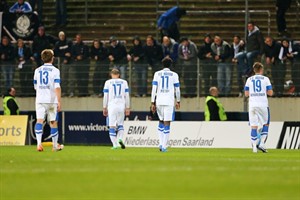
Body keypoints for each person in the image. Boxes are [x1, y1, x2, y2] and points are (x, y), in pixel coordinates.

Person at [33, 49, 63, 152]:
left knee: (39, 121)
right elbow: (57, 87)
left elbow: (35, 86)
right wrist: (59, 101)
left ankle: (38, 144)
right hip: (51, 100)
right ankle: (55, 146)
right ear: (52, 58)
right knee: (53, 122)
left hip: (40, 99)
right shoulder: (55, 70)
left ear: (42, 58)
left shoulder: (37, 70)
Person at [151, 57, 181, 152]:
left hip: (159, 100)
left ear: (162, 65)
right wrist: (178, 100)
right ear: (171, 65)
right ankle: (164, 146)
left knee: (160, 121)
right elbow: (177, 89)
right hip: (169, 101)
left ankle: (160, 143)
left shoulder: (157, 74)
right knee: (167, 122)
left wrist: (152, 102)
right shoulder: (174, 75)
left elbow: (154, 89)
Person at [244, 62, 273, 153]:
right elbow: (270, 93)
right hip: (263, 105)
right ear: (261, 69)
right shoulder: (266, 79)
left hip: (252, 105)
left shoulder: (249, 79)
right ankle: (262, 144)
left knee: (254, 126)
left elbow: (246, 94)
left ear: (254, 70)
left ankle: (254, 148)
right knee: (265, 124)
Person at [103, 68, 130, 150]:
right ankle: (120, 138)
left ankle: (115, 145)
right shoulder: (124, 82)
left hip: (112, 106)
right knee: (121, 124)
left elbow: (105, 96)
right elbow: (127, 96)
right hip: (121, 105)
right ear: (118, 75)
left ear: (111, 74)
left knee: (112, 126)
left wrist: (104, 107)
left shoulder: (108, 82)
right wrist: (127, 107)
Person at [236, 22, 264, 94]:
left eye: (250, 26)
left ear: (253, 26)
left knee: (249, 55)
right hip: (248, 50)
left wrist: (261, 52)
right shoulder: (248, 33)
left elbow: (261, 43)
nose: (249, 28)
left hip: (255, 50)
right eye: (248, 26)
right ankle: (245, 69)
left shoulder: (257, 33)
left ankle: (250, 69)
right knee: (238, 56)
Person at [53, 31, 72, 96]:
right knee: (63, 78)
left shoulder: (69, 42)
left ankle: (70, 92)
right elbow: (56, 53)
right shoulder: (57, 44)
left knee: (71, 77)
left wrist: (67, 57)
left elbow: (71, 51)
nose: (62, 37)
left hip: (70, 62)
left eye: (63, 35)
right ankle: (64, 91)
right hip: (61, 62)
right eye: (60, 36)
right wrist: (64, 54)